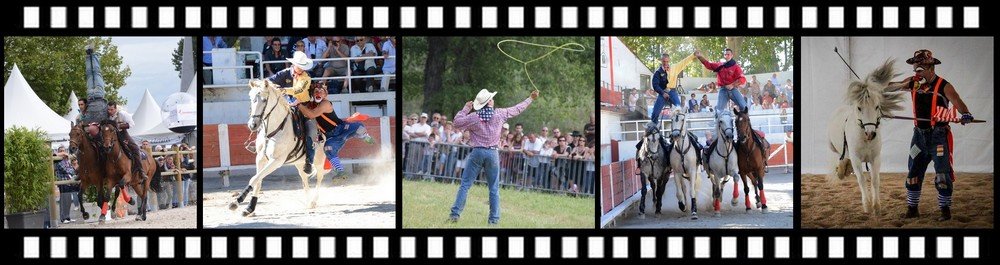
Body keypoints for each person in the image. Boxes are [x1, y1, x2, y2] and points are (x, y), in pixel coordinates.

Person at [890, 49, 975, 221]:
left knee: (942, 174)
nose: (916, 70)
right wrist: (878, 86)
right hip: (918, 138)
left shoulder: (944, 85)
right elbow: (893, 87)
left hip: (938, 137)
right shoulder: (913, 83)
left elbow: (957, 101)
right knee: (913, 171)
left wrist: (965, 113)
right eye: (915, 67)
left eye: (920, 67)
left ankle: (945, 211)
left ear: (931, 67)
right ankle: (912, 209)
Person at [450, 88, 538, 225]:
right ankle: (494, 220)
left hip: (477, 151)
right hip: (492, 153)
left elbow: (456, 122)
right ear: (490, 101)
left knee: (465, 185)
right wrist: (530, 98)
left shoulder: (474, 117)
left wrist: (466, 108)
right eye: (491, 97)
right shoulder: (500, 114)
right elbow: (517, 109)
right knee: (494, 188)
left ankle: (455, 215)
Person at [296, 84, 376, 178]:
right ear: (312, 94)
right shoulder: (310, 105)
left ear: (325, 95)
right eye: (316, 91)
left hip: (341, 128)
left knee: (359, 126)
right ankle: (340, 172)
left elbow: (312, 115)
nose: (318, 93)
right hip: (331, 137)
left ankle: (365, 137)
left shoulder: (325, 103)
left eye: (321, 91)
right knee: (328, 150)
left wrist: (298, 104)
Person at [266, 51, 318, 174]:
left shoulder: (306, 78)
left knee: (311, 131)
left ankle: (309, 161)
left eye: (303, 66)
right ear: (293, 64)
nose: (301, 69)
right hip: (287, 105)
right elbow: (270, 80)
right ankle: (261, 143)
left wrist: (283, 90)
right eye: (299, 66)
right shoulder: (284, 74)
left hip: (304, 107)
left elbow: (298, 90)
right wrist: (264, 84)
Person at [108, 101, 143, 177]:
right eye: (108, 109)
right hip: (112, 136)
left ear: (115, 108)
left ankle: (140, 170)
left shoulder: (122, 114)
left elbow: (132, 124)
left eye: (111, 109)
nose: (110, 111)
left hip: (123, 134)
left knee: (135, 148)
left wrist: (119, 126)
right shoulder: (108, 116)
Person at [54, 147, 79, 224]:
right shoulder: (58, 160)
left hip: (69, 182)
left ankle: (67, 217)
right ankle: (63, 218)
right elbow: (65, 169)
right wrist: (71, 170)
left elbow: (71, 169)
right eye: (61, 151)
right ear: (59, 152)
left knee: (68, 201)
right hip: (63, 182)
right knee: (63, 201)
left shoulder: (67, 160)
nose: (63, 152)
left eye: (64, 151)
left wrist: (71, 170)